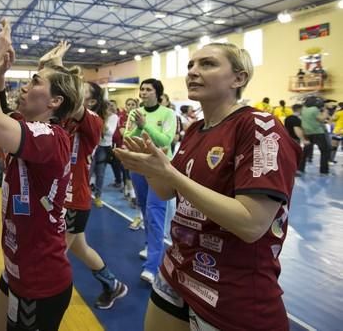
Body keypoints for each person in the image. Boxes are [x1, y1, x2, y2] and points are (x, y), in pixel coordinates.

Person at [115, 43, 301, 331]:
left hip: (231, 288)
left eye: (207, 64)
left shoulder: (259, 126)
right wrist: (150, 167)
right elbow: (166, 192)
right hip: (177, 269)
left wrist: (171, 174)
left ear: (238, 79)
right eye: (191, 65)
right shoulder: (194, 129)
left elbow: (252, 224)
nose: (193, 72)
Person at [0, 21, 84, 331]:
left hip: (40, 282)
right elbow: (1, 115)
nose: (24, 86)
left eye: (34, 81)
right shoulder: (32, 130)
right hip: (15, 269)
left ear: (55, 103)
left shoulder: (52, 137)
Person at [38, 41, 128, 310]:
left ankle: (37, 308)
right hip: (60, 197)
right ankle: (113, 285)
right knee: (81, 249)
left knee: (50, 259)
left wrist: (57, 67)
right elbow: (51, 90)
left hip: (74, 200)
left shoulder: (92, 121)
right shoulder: (64, 117)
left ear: (90, 100)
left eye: (80, 90)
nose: (73, 91)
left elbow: (68, 95)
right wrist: (47, 68)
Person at [124, 79, 176, 284]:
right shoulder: (134, 113)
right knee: (145, 209)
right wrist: (138, 127)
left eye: (148, 89)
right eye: (142, 89)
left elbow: (166, 141)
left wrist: (145, 127)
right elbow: (128, 136)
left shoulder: (168, 114)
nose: (143, 93)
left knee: (155, 213)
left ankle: (152, 267)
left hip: (160, 168)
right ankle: (149, 244)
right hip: (139, 166)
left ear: (157, 93)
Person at [91, 100, 119, 208]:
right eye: (105, 107)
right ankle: (85, 194)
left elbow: (110, 132)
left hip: (104, 147)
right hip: (93, 145)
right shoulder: (96, 116)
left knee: (100, 173)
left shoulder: (113, 117)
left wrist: (104, 119)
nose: (108, 109)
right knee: (88, 171)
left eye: (109, 106)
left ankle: (98, 196)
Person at [301, 99, 331, 175]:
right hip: (318, 132)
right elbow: (321, 119)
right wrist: (326, 111)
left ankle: (300, 168)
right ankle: (324, 171)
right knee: (325, 151)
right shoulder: (314, 109)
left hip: (307, 132)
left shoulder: (304, 110)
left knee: (305, 152)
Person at [284, 104, 309, 175]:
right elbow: (297, 130)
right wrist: (303, 139)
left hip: (287, 139)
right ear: (299, 109)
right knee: (294, 156)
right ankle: (293, 172)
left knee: (289, 155)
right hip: (294, 139)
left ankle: (288, 170)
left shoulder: (288, 118)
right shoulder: (296, 119)